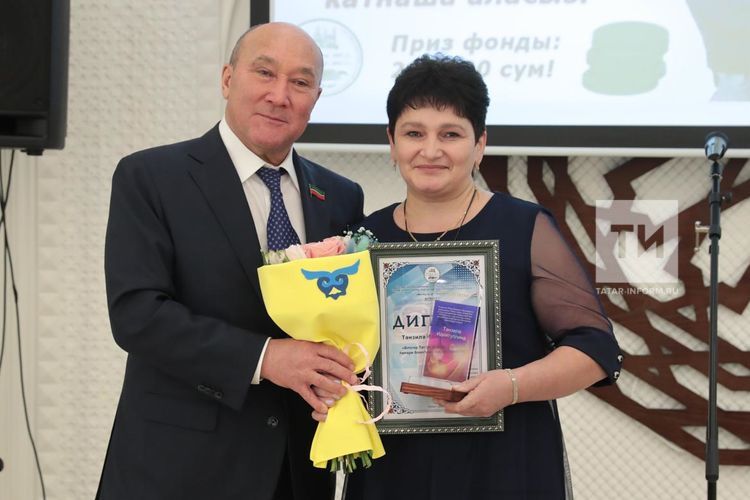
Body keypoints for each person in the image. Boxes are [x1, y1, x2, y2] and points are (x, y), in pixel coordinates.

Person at [98, 23, 364, 500]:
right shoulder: (151, 177)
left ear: (316, 99)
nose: (279, 95)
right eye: (264, 72)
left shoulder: (340, 196)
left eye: (300, 82)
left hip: (296, 472)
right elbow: (137, 315)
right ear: (227, 79)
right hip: (178, 469)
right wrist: (266, 358)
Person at [344, 54, 623, 499]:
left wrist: (510, 387)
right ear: (391, 143)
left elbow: (596, 349)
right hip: (393, 468)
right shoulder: (363, 239)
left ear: (480, 144)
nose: (430, 150)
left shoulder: (524, 227)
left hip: (503, 465)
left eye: (450, 134)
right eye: (414, 133)